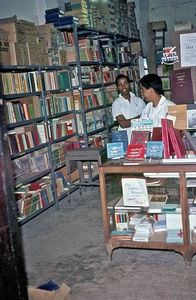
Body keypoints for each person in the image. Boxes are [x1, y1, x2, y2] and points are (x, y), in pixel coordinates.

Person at [112, 74, 146, 140]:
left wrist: (143, 118)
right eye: (120, 85)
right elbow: (123, 124)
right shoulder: (116, 104)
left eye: (125, 83)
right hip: (125, 139)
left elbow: (148, 119)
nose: (123, 87)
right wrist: (141, 117)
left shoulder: (139, 100)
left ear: (129, 84)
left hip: (140, 138)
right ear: (117, 88)